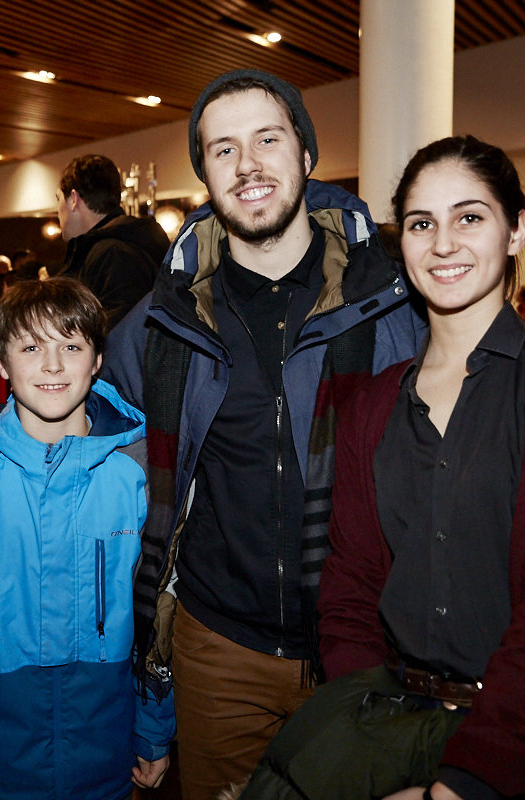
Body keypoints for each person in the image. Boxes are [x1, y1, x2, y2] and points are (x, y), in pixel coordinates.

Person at [239, 136, 525, 800]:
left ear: (515, 230)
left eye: (470, 217)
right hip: (390, 722)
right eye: (421, 223)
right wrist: (368, 738)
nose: (443, 243)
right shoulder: (373, 404)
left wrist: (462, 781)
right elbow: (348, 591)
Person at [102, 69, 422, 799]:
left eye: (267, 139)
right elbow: (76, 406)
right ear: (206, 177)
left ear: (306, 156)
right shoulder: (165, 319)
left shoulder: (390, 299)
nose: (247, 164)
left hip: (368, 643)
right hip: (220, 650)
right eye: (223, 149)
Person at [0, 278, 175, 800]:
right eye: (30, 347)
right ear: (0, 363)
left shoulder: (136, 472)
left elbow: (157, 610)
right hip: (3, 752)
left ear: (96, 361)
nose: (52, 365)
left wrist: (154, 728)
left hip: (109, 748)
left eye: (71, 346)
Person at [55, 154, 169, 330]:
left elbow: (116, 338)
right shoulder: (126, 242)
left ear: (74, 199)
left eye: (58, 199)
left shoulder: (112, 253)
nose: (57, 211)